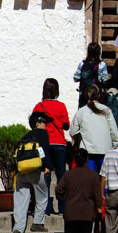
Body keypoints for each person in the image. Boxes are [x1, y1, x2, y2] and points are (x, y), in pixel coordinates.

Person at [55, 147, 103, 233]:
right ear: (87, 160)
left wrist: (64, 198)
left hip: (70, 214)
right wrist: (99, 208)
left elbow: (58, 190)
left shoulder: (69, 175)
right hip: (87, 215)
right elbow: (97, 196)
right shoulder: (93, 175)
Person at [11, 111, 53, 233]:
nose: (45, 125)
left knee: (21, 202)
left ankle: (17, 230)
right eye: (43, 123)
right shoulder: (42, 134)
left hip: (21, 171)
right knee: (42, 196)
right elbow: (44, 149)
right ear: (37, 124)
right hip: (36, 170)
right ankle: (38, 223)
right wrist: (47, 166)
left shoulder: (24, 136)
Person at [33, 77, 70, 215]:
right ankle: (62, 208)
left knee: (46, 177)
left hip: (45, 145)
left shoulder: (39, 106)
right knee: (61, 177)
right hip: (60, 144)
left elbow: (33, 124)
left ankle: (46, 208)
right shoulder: (61, 106)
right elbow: (66, 125)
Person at [69, 85, 118, 173]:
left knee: (90, 180)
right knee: (105, 179)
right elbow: (113, 131)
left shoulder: (81, 111)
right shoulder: (106, 110)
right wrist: (114, 145)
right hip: (104, 149)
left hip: (88, 151)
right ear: (99, 95)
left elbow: (73, 131)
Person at [73, 43, 109, 108]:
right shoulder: (102, 64)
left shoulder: (82, 64)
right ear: (99, 52)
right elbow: (105, 80)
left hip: (84, 95)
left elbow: (75, 78)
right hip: (97, 94)